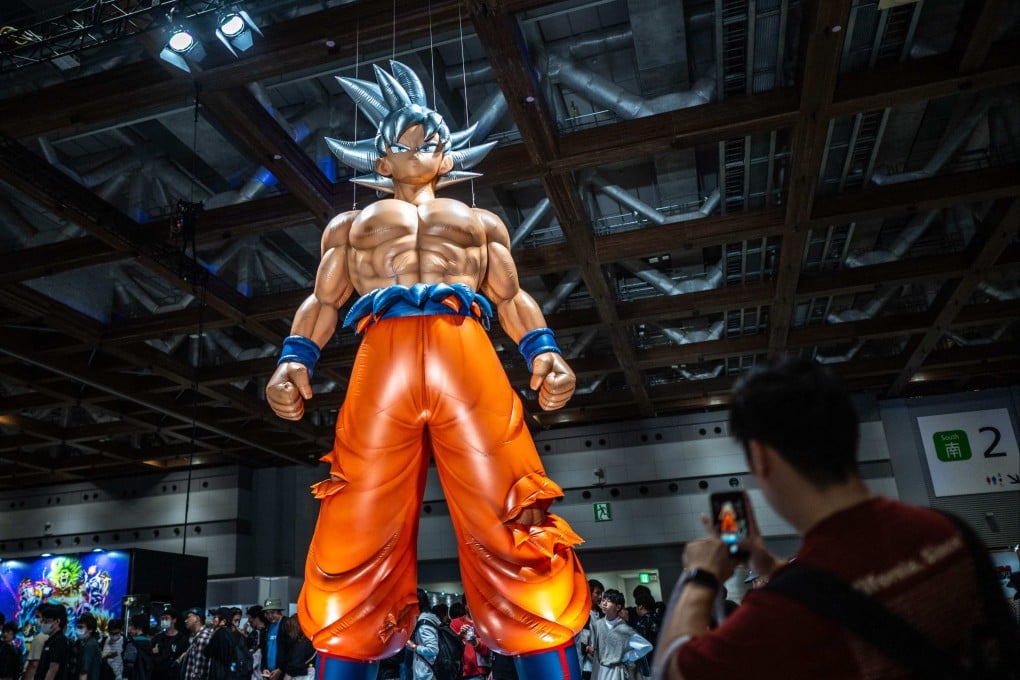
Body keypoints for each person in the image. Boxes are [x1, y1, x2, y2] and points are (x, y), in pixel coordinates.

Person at [265, 60, 588, 680]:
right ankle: (348, 654)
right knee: (356, 515)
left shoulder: (480, 222)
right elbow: (323, 303)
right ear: (379, 162)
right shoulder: (350, 227)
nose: (421, 147)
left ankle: (543, 652)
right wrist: (292, 359)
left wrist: (544, 352)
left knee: (512, 509)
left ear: (448, 158)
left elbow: (511, 297)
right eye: (403, 141)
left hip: (465, 349)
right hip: (380, 355)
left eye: (432, 139)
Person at [654, 358, 1020, 679]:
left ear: (761, 458)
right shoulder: (948, 530)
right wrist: (769, 565)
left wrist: (700, 577)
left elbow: (674, 671)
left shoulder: (780, 615)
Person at [586, 590, 651, 680]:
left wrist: (628, 656)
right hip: (600, 669)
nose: (604, 603)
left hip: (617, 670)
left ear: (618, 607)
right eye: (603, 600)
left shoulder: (625, 629)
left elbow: (646, 646)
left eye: (608, 601)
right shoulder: (597, 625)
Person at [404, 589, 440, 680]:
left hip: (427, 673)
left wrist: (414, 647)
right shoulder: (431, 618)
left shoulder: (424, 624)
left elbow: (433, 649)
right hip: (429, 670)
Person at [449, 602, 489, 680]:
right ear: (466, 606)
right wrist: (459, 635)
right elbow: (450, 647)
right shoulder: (455, 623)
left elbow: (488, 649)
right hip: (458, 671)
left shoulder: (483, 623)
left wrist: (476, 643)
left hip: (479, 671)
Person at [36, 604, 70, 680]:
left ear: (57, 621)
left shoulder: (59, 640)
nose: (43, 624)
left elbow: (53, 669)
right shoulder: (50, 640)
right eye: (43, 621)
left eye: (47, 621)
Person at [151, 611, 186, 680]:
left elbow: (184, 655)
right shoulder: (158, 637)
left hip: (174, 675)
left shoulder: (182, 638)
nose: (164, 621)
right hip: (157, 674)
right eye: (162, 619)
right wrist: (152, 651)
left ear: (174, 620)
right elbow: (150, 652)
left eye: (166, 618)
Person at [180, 609, 213, 680]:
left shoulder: (202, 638)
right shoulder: (198, 636)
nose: (186, 621)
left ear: (197, 619)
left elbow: (199, 672)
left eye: (189, 617)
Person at [258, 600, 286, 680]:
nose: (270, 616)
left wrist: (281, 669)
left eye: (272, 612)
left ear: (279, 612)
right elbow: (264, 651)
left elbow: (290, 651)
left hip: (284, 673)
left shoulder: (287, 624)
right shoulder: (266, 628)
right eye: (267, 613)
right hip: (269, 674)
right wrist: (264, 668)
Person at [121, 616, 152, 680]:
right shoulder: (149, 643)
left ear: (139, 628)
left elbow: (128, 665)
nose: (129, 628)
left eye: (131, 625)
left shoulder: (131, 643)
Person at [25, 611, 51, 680]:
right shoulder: (32, 629)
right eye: (36, 616)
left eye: (38, 617)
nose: (36, 619)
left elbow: (33, 664)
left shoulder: (41, 637)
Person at [75, 614, 101, 680]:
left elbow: (84, 671)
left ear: (90, 629)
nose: (78, 630)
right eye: (77, 627)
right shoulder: (85, 642)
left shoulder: (90, 645)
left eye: (81, 627)